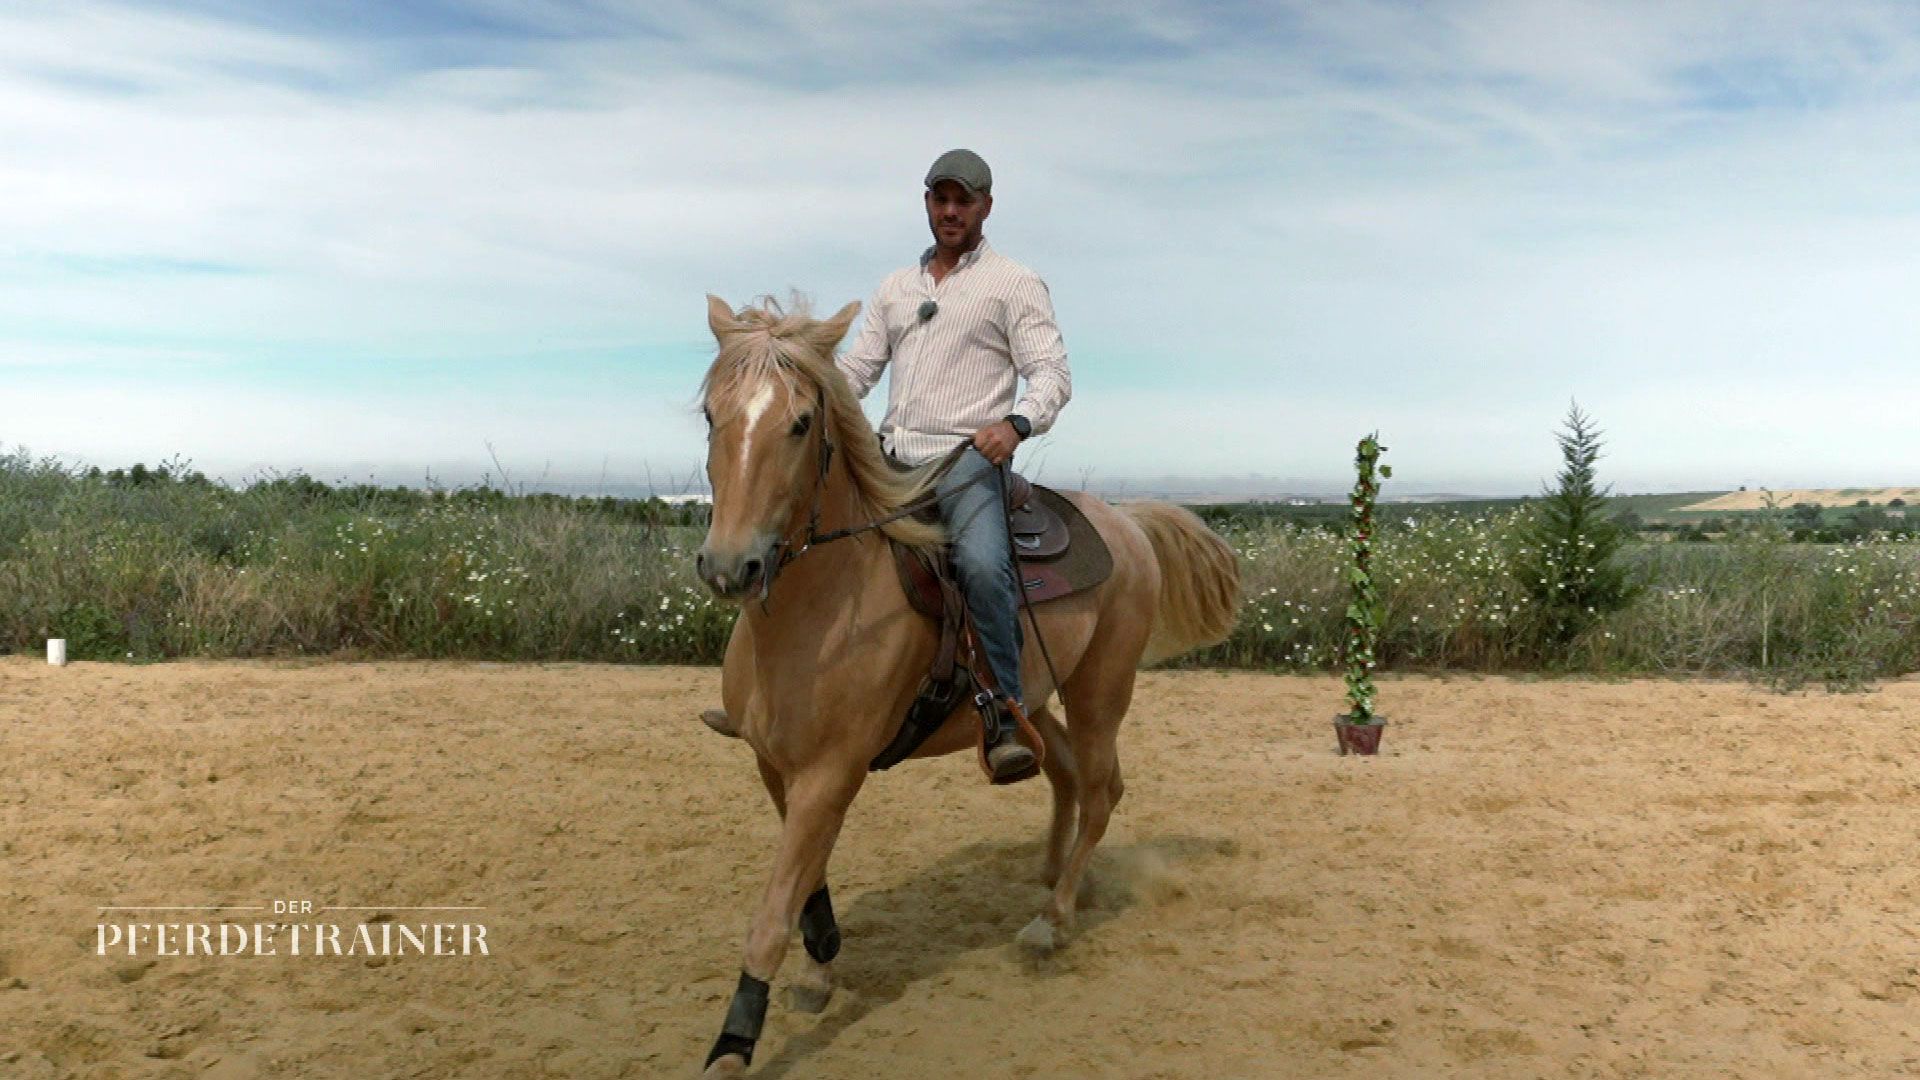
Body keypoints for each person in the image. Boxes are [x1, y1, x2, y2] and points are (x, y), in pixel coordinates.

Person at [837, 148, 1072, 781]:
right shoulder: (896, 287)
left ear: (985, 207)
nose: (950, 211)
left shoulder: (1013, 282)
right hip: (891, 458)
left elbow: (1051, 372)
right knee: (799, 530)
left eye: (962, 201)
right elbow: (858, 369)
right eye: (940, 199)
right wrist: (809, 390)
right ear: (926, 204)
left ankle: (1005, 713)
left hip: (965, 461)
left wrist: (1016, 424)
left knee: (982, 566)